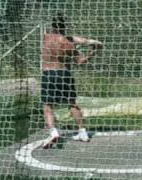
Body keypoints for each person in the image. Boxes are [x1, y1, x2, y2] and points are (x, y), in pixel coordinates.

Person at [41, 14, 103, 149]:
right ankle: (83, 132)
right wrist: (94, 49)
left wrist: (88, 41)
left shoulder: (45, 37)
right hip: (64, 74)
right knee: (72, 104)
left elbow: (72, 38)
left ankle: (53, 133)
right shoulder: (68, 44)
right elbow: (81, 61)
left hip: (48, 73)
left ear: (52, 26)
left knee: (48, 106)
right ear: (64, 27)